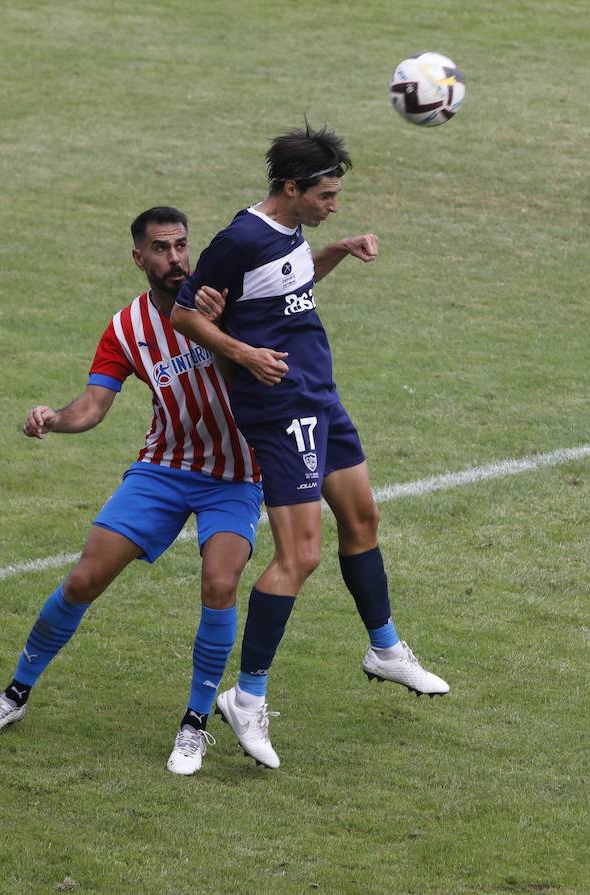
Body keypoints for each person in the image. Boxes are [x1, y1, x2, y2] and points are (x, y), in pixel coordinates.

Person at [171, 124, 449, 771]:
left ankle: (384, 649)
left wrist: (337, 252)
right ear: (291, 189)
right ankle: (249, 694)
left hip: (320, 394)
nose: (334, 205)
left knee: (363, 519)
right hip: (281, 406)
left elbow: (286, 289)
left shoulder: (290, 232)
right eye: (326, 196)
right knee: (300, 555)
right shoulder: (239, 238)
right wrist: (243, 353)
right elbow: (187, 313)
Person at [0, 206, 264, 777]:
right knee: (83, 578)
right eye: (161, 248)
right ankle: (14, 695)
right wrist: (54, 418)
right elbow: (93, 407)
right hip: (163, 470)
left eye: (180, 246)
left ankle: (195, 725)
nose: (174, 258)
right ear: (139, 258)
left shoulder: (227, 304)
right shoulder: (126, 329)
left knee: (220, 583)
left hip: (237, 476)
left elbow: (275, 346)